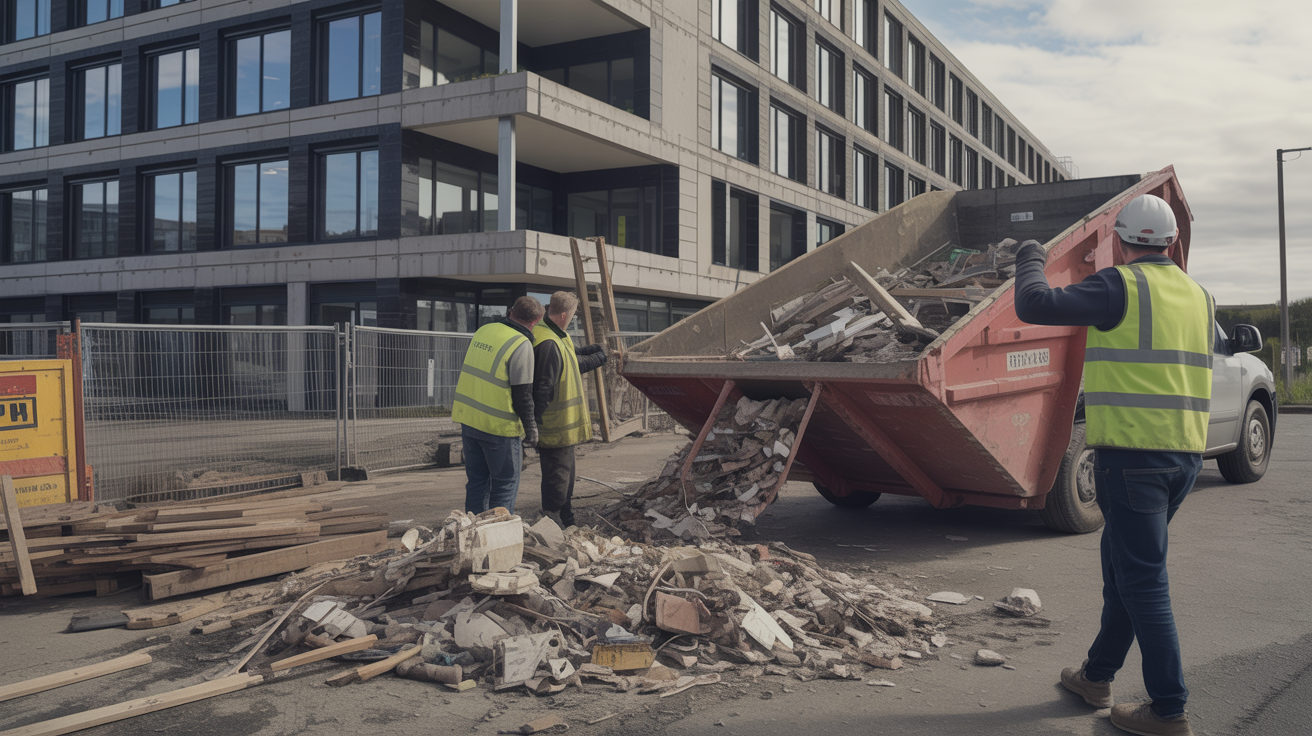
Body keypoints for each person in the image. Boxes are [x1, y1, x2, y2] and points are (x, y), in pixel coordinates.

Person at [1014, 193, 1213, 736]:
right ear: (1172, 242)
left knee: (1143, 580)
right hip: (1183, 459)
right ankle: (1096, 676)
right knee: (1122, 568)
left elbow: (1034, 305)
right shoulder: (1200, 295)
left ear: (1120, 243)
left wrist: (1030, 257)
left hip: (1131, 459)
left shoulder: (1119, 286)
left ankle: (1169, 709)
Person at [452, 296, 544, 515]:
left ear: (511, 311)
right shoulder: (521, 344)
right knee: (504, 485)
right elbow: (523, 395)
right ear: (535, 322)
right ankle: (496, 538)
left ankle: (472, 533)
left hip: (470, 422)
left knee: (477, 482)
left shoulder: (485, 330)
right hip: (498, 428)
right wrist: (531, 427)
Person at [531, 291, 609, 527]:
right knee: (558, 476)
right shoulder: (548, 343)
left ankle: (566, 516)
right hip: (555, 425)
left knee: (565, 474)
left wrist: (593, 350)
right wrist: (533, 423)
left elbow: (572, 356)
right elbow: (547, 384)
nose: (573, 319)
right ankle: (552, 521)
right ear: (565, 314)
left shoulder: (554, 332)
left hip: (561, 425)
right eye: (573, 315)